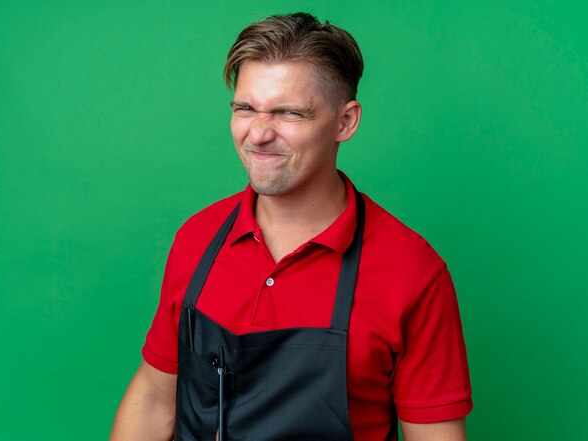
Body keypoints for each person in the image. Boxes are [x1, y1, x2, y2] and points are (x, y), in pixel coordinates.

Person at [110, 12, 472, 441]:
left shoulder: (412, 272)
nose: (258, 133)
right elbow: (154, 399)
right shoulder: (198, 237)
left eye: (289, 113)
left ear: (345, 122)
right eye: (245, 108)